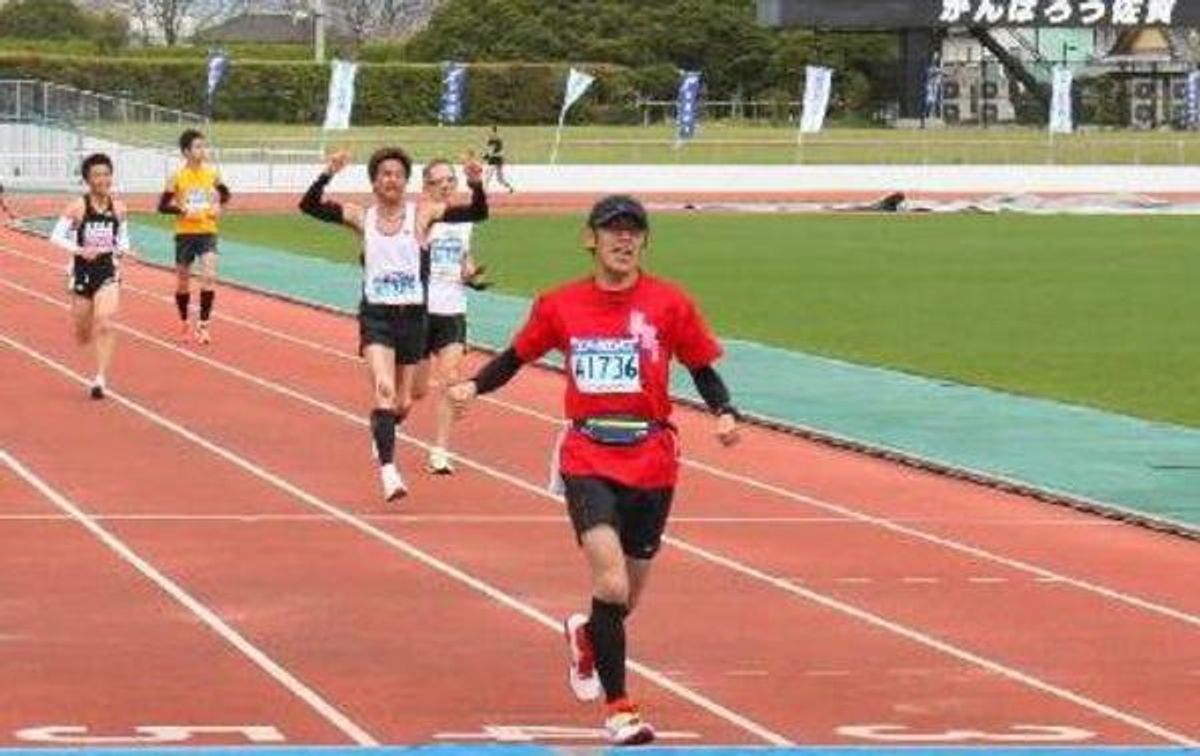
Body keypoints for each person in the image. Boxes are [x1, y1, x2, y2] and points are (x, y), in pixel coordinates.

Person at [448, 195, 740, 745]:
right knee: (607, 580)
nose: (623, 240)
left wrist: (725, 410)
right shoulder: (561, 305)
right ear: (591, 239)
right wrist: (473, 384)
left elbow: (701, 366)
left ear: (644, 243)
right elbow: (516, 356)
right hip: (588, 453)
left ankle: (586, 637)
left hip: (653, 458)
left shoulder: (669, 303)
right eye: (613, 231)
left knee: (624, 599)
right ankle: (620, 709)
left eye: (634, 232)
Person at [299, 148, 488, 501]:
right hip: (377, 316)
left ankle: (382, 427)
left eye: (398, 174)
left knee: (403, 402)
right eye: (384, 173)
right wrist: (329, 173)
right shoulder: (361, 216)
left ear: (405, 181)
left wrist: (476, 183)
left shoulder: (423, 213)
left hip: (413, 316)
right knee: (384, 391)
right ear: (374, 181)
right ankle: (389, 472)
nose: (391, 179)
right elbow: (308, 205)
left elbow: (477, 211)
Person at [411, 158, 490, 475]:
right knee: (414, 392)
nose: (445, 186)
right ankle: (390, 420)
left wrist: (472, 275)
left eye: (450, 180)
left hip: (453, 309)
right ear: (425, 185)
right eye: (438, 181)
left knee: (451, 378)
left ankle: (440, 451)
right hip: (419, 310)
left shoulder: (463, 221)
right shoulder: (419, 217)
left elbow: (463, 258)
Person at [49, 153, 133, 399]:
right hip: (82, 272)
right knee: (83, 331)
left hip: (108, 270)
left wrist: (126, 250)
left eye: (106, 174)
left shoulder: (119, 208)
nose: (103, 179)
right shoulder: (78, 206)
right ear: (87, 179)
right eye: (97, 175)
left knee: (105, 323)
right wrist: (79, 250)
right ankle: (83, 331)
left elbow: (123, 239)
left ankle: (100, 379)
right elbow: (55, 236)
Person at [158, 128, 231, 345]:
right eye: (198, 147)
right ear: (186, 152)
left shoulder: (212, 174)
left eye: (203, 146)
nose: (203, 150)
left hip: (207, 231)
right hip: (185, 234)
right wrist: (181, 211)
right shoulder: (177, 177)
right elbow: (162, 206)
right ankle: (184, 321)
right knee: (183, 282)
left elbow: (225, 194)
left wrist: (219, 205)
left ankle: (203, 324)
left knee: (209, 276)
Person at [483, 125, 514, 194]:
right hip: (496, 161)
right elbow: (490, 150)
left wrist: (488, 156)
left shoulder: (496, 141)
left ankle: (484, 192)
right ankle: (509, 188)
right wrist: (486, 155)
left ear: (493, 131)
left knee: (488, 177)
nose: (490, 134)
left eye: (491, 132)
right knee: (498, 178)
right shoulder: (494, 141)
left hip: (495, 161)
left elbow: (495, 151)